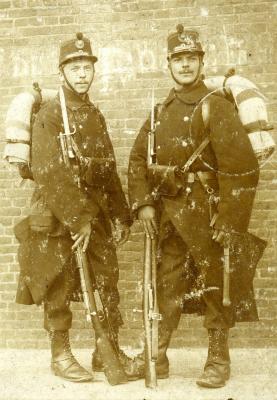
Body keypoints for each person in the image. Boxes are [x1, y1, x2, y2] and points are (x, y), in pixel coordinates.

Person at [128, 24, 265, 388]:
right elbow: (138, 160)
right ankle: (157, 353)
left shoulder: (214, 106)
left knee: (216, 285)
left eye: (191, 59)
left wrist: (230, 220)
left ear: (201, 63)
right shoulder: (159, 111)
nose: (185, 65)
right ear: (168, 65)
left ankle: (218, 357)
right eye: (178, 59)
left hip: (209, 215)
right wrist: (143, 204)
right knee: (166, 283)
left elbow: (242, 169)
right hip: (169, 216)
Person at [14, 32, 138, 382]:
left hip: (92, 215)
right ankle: (61, 354)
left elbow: (107, 168)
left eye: (87, 67)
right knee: (58, 282)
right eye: (75, 67)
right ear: (62, 72)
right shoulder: (51, 115)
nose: (82, 74)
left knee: (107, 280)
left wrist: (120, 214)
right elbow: (48, 171)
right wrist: (78, 219)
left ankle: (107, 351)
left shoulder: (94, 114)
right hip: (56, 215)